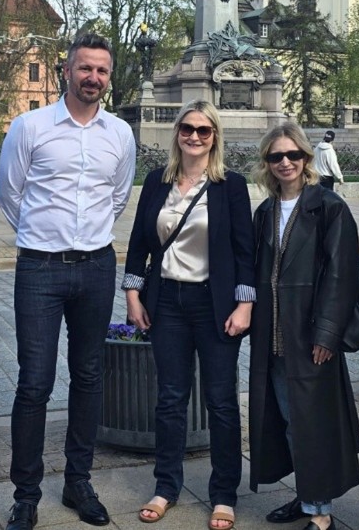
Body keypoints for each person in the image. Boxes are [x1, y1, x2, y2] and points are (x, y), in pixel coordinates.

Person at [0, 32, 137, 530]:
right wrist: (45, 237)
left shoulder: (120, 134)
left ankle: (78, 481)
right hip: (40, 269)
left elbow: (117, 196)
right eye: (85, 68)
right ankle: (26, 495)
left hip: (96, 267)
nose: (93, 77)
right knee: (34, 382)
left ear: (109, 76)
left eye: (101, 70)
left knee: (89, 376)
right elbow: (10, 194)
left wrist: (84, 238)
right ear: (66, 70)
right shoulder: (30, 126)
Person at [122, 99, 254, 530]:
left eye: (204, 130)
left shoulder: (230, 185)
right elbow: (139, 244)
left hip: (214, 306)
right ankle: (166, 487)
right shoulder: (156, 181)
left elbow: (245, 251)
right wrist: (133, 295)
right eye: (187, 129)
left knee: (221, 402)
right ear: (177, 133)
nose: (194, 136)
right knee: (170, 399)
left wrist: (245, 304)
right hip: (167, 304)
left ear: (215, 137)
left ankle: (224, 494)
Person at [249, 122, 359, 530]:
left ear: (306, 157)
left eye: (293, 155)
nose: (285, 163)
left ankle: (321, 513)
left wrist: (328, 333)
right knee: (288, 421)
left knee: (312, 426)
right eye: (276, 156)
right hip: (274, 338)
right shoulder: (265, 211)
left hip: (311, 336)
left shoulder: (328, 207)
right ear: (267, 163)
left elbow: (341, 274)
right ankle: (307, 497)